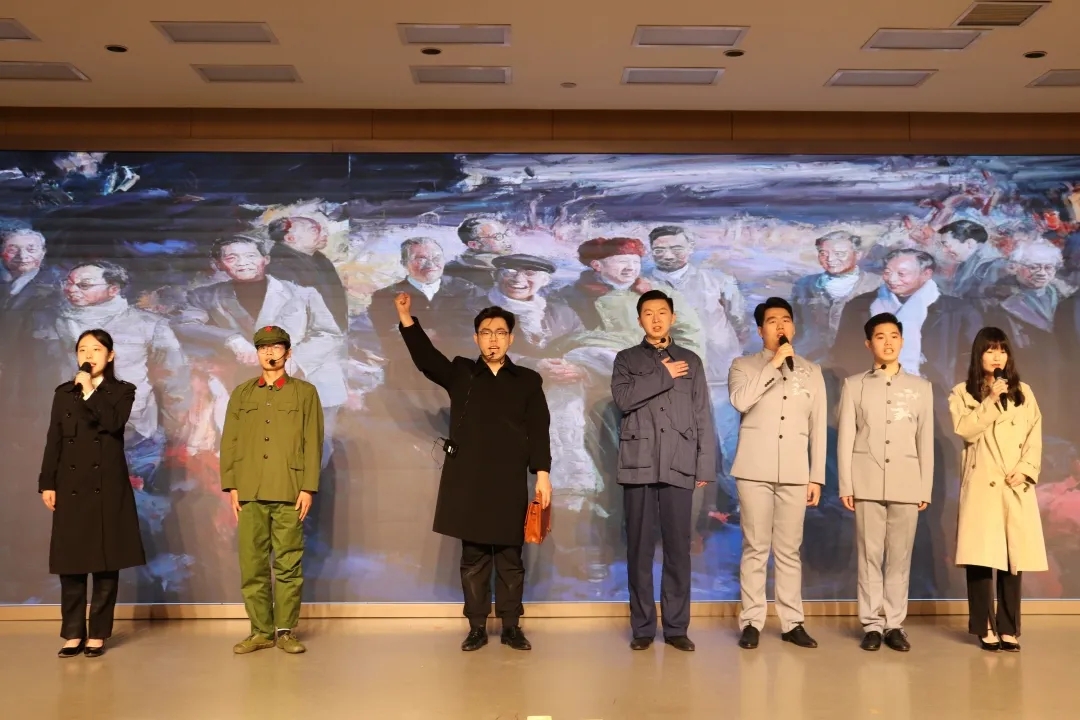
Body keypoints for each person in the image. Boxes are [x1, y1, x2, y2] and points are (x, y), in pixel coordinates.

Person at [395, 294, 552, 652]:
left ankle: (511, 626)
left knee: (510, 559)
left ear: (511, 338)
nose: (493, 339)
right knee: (474, 558)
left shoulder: (528, 380)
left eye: (500, 333)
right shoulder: (462, 373)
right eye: (486, 333)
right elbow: (426, 359)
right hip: (469, 480)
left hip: (509, 480)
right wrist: (406, 317)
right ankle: (477, 627)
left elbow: (539, 429)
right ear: (476, 338)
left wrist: (542, 473)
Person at [611, 290, 715, 652]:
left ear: (672, 318)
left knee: (677, 550)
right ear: (639, 319)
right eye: (648, 313)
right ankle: (642, 628)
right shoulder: (626, 359)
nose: (655, 319)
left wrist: (704, 463)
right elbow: (624, 399)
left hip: (679, 461)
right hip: (639, 461)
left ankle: (675, 628)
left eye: (662, 313)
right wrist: (663, 373)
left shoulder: (691, 360)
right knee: (639, 549)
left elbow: (702, 414)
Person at [38, 328, 145, 658]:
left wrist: (88, 391)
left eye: (96, 349)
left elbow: (112, 423)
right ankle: (73, 633)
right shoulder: (63, 393)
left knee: (105, 564)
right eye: (83, 349)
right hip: (70, 487)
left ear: (110, 356)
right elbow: (54, 439)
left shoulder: (122, 391)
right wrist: (47, 482)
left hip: (107, 487)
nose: (88, 355)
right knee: (70, 564)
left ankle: (98, 633)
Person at [728, 297, 826, 650]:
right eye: (772, 321)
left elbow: (818, 427)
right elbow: (741, 401)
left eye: (786, 320)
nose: (780, 326)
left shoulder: (811, 371)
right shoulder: (743, 365)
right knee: (755, 547)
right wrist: (774, 364)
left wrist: (816, 476)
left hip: (796, 472)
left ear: (793, 327)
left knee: (788, 550)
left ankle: (792, 622)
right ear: (760, 330)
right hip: (754, 469)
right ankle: (752, 621)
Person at [221, 325, 324, 655]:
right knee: (252, 565)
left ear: (288, 353)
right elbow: (230, 441)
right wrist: (232, 485)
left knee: (288, 564)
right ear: (257, 353)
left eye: (276, 347)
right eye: (263, 348)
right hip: (249, 490)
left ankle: (285, 631)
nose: (269, 352)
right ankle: (260, 631)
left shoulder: (305, 393)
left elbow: (312, 442)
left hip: (289, 489)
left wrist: (308, 487)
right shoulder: (242, 394)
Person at [837, 313, 933, 652]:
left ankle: (894, 624)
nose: (888, 342)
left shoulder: (920, 388)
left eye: (894, 336)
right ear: (869, 344)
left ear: (902, 341)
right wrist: (846, 485)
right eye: (880, 336)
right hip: (866, 481)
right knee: (869, 556)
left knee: (899, 557)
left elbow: (925, 441)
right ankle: (872, 624)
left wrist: (924, 487)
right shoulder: (854, 385)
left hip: (907, 481)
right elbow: (846, 439)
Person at [948, 327, 1047, 652]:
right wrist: (990, 399)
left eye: (1002, 351)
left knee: (1012, 560)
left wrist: (1027, 469)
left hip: (1014, 484)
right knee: (980, 559)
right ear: (979, 355)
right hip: (982, 485)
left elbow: (1034, 435)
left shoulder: (1024, 392)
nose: (997, 357)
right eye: (990, 351)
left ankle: (1008, 627)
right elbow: (965, 429)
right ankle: (984, 626)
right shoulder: (962, 393)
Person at [790, 230, 881, 363]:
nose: (830, 259)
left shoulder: (877, 285)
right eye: (823, 254)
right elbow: (795, 324)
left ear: (858, 255)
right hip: (808, 359)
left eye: (839, 254)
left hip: (857, 360)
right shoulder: (804, 284)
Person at [443, 216, 515, 290]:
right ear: (474, 245)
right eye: (497, 236)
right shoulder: (460, 273)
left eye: (505, 234)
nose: (505, 240)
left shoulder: (507, 265)